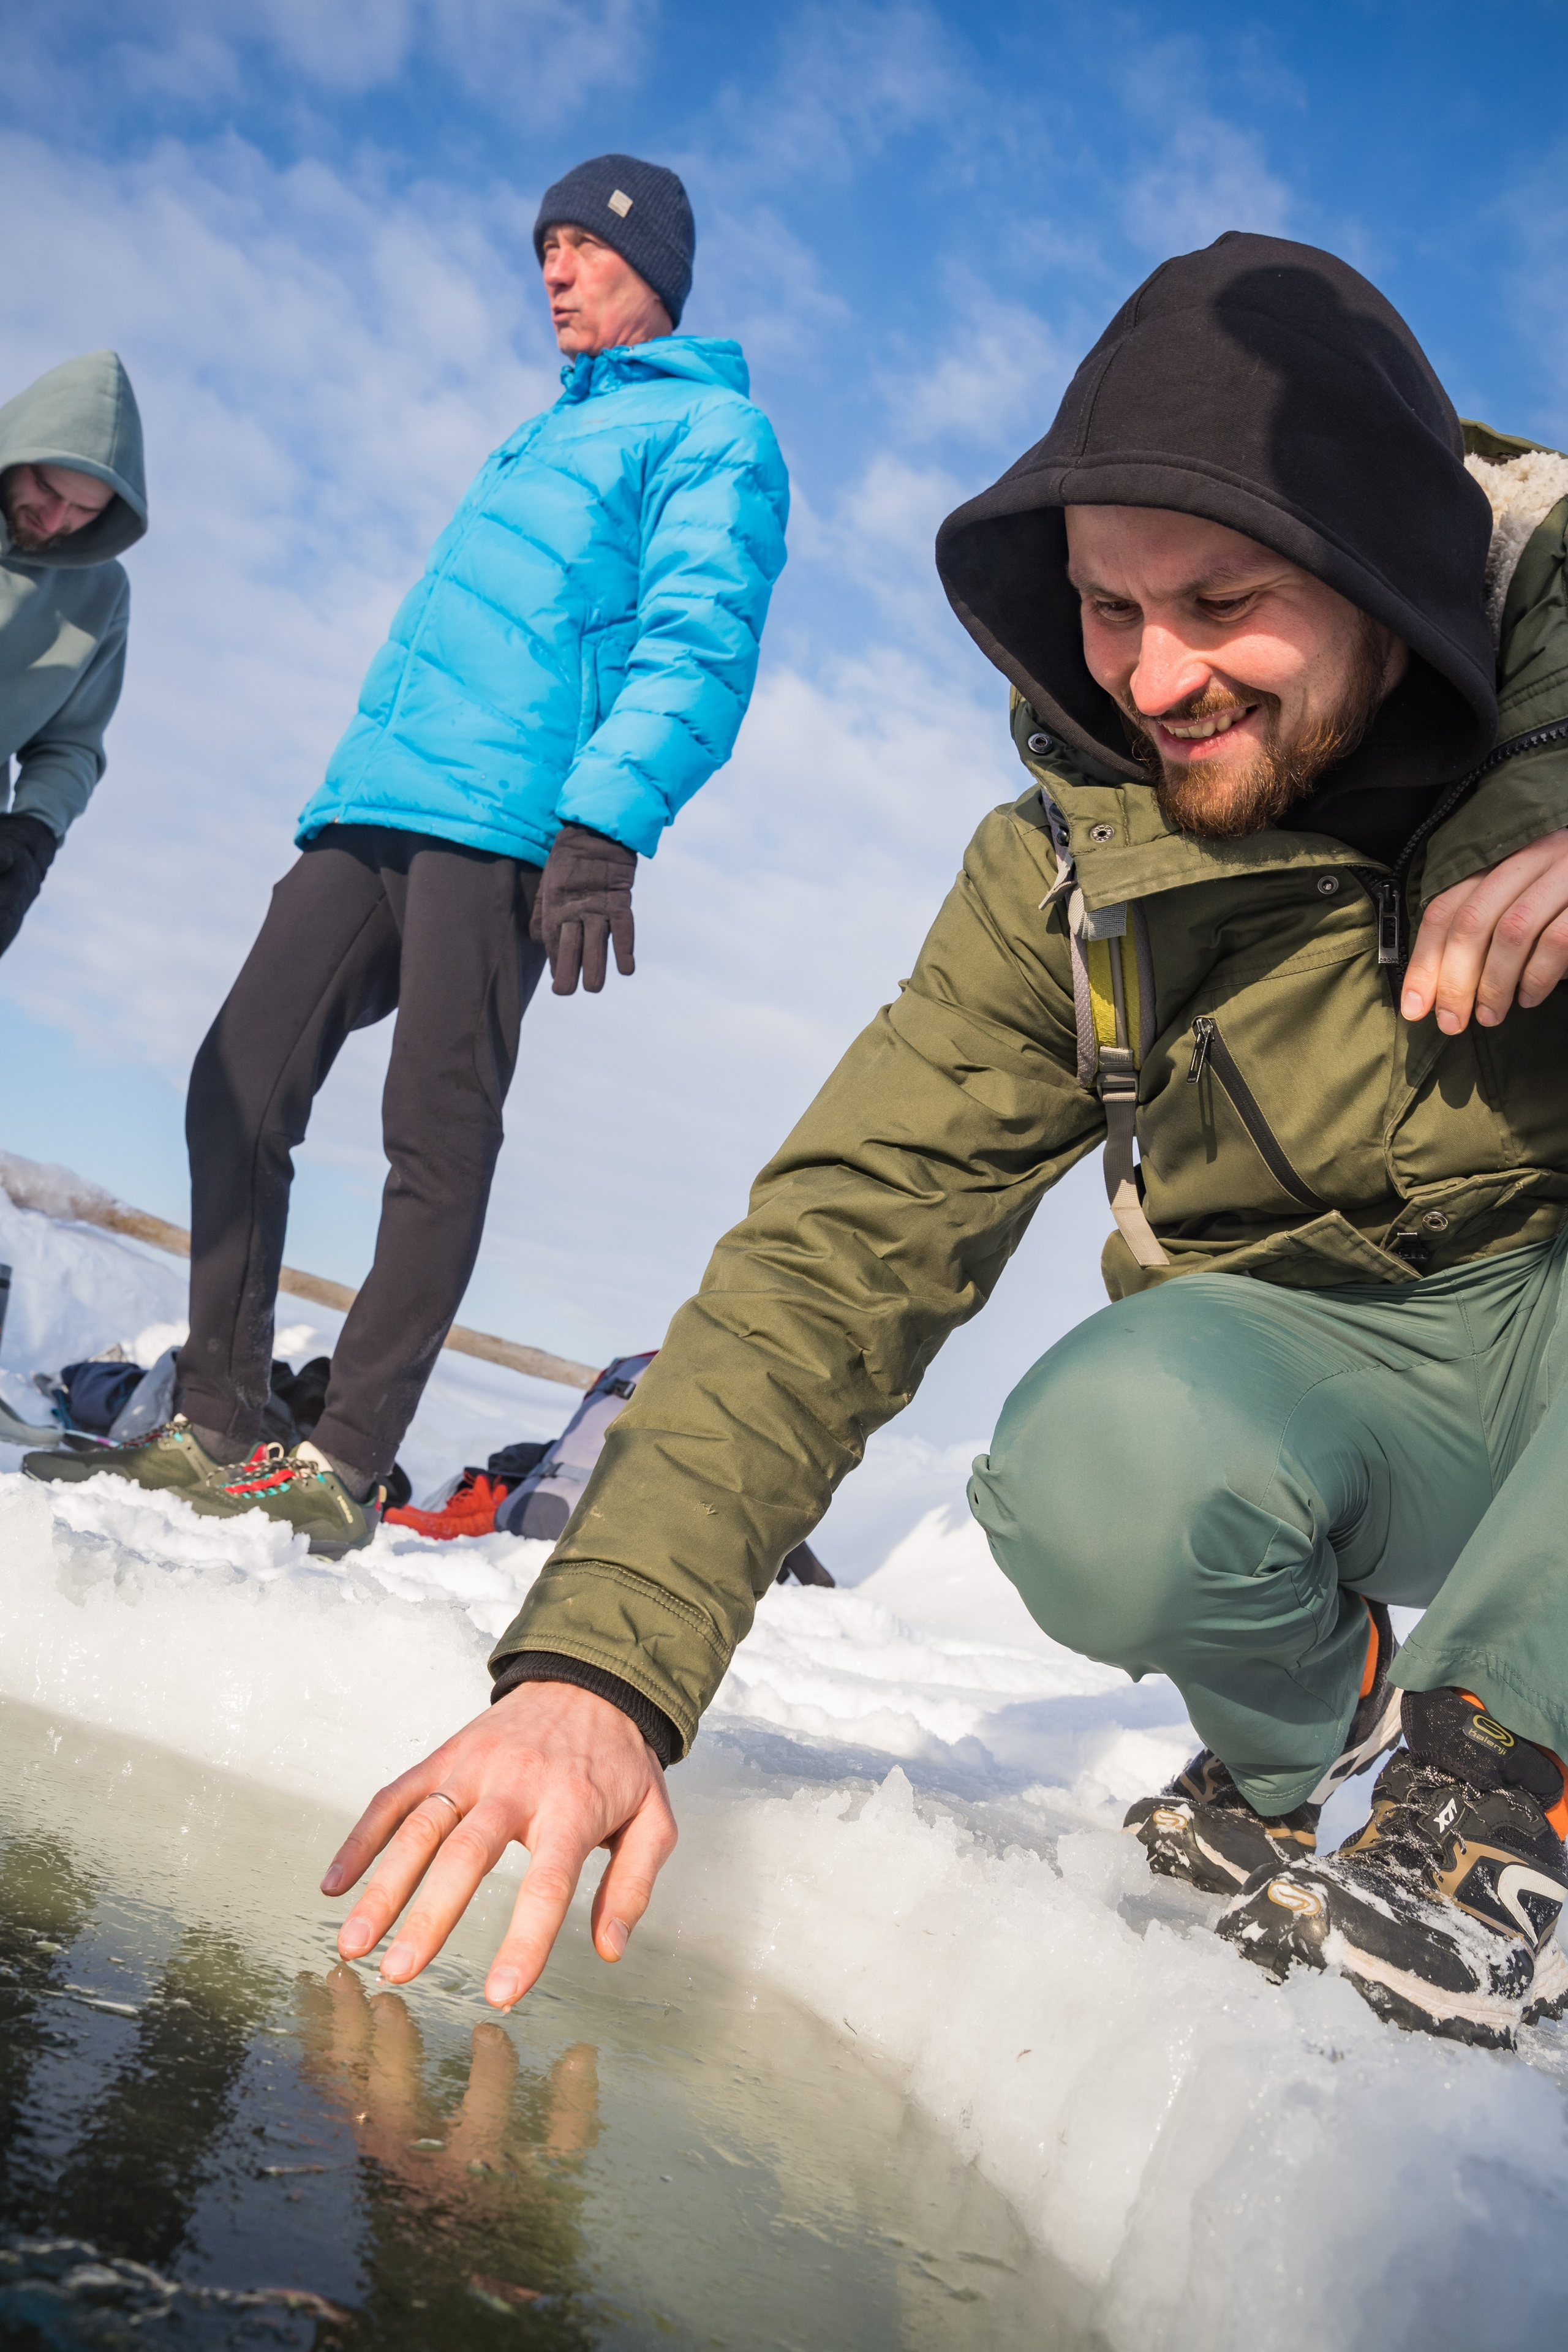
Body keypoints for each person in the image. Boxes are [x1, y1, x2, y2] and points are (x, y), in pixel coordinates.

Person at [320, 233, 1568, 2050]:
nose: (1154, 681)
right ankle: (1324, 1745)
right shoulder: (1075, 872)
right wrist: (600, 1668)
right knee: (1092, 1458)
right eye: (1108, 608)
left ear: (1376, 573)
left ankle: (1501, 1790)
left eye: (1218, 600)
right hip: (1374, 1389)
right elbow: (843, 1236)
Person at [26, 154, 789, 1555]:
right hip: (379, 796)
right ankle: (220, 1419)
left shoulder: (710, 433)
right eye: (542, 245)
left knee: (431, 1131)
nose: (551, 269)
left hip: (508, 819)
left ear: (651, 267)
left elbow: (699, 639)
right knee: (233, 1084)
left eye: (580, 245)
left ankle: (344, 1458)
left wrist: (606, 820)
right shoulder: (544, 429)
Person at [0, 351, 147, 959]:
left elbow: (70, 743)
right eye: (47, 488)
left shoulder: (101, 593)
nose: (58, 520)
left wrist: (34, 834)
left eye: (85, 510)